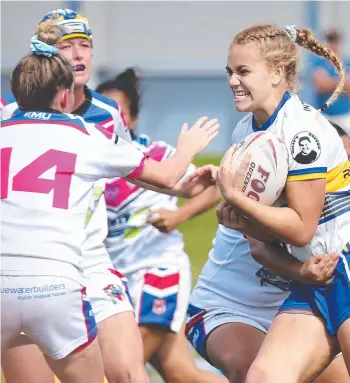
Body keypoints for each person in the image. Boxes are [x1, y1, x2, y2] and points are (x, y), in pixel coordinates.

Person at [0, 9, 219, 383]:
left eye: (84, 45)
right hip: (48, 262)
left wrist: (180, 186)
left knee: (130, 372)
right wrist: (181, 161)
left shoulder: (106, 113)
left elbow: (127, 168)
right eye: (66, 47)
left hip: (91, 257)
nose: (78, 54)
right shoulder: (23, 117)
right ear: (47, 60)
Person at [186, 119, 350, 383]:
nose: (344, 169)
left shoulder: (344, 196)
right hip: (227, 307)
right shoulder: (266, 195)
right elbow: (261, 251)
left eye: (347, 161)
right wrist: (303, 271)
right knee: (250, 368)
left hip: (291, 311)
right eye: (337, 159)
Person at [96, 68, 227, 383]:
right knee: (182, 374)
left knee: (121, 367)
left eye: (119, 113)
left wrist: (178, 216)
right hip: (116, 280)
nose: (109, 121)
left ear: (132, 119)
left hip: (159, 271)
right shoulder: (91, 159)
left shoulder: (156, 156)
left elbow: (215, 188)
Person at [310, 28, 350, 141]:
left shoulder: (349, 62)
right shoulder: (319, 63)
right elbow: (321, 85)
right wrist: (343, 82)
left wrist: (331, 81)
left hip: (347, 118)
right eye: (330, 40)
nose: (333, 44)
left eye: (336, 40)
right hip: (326, 117)